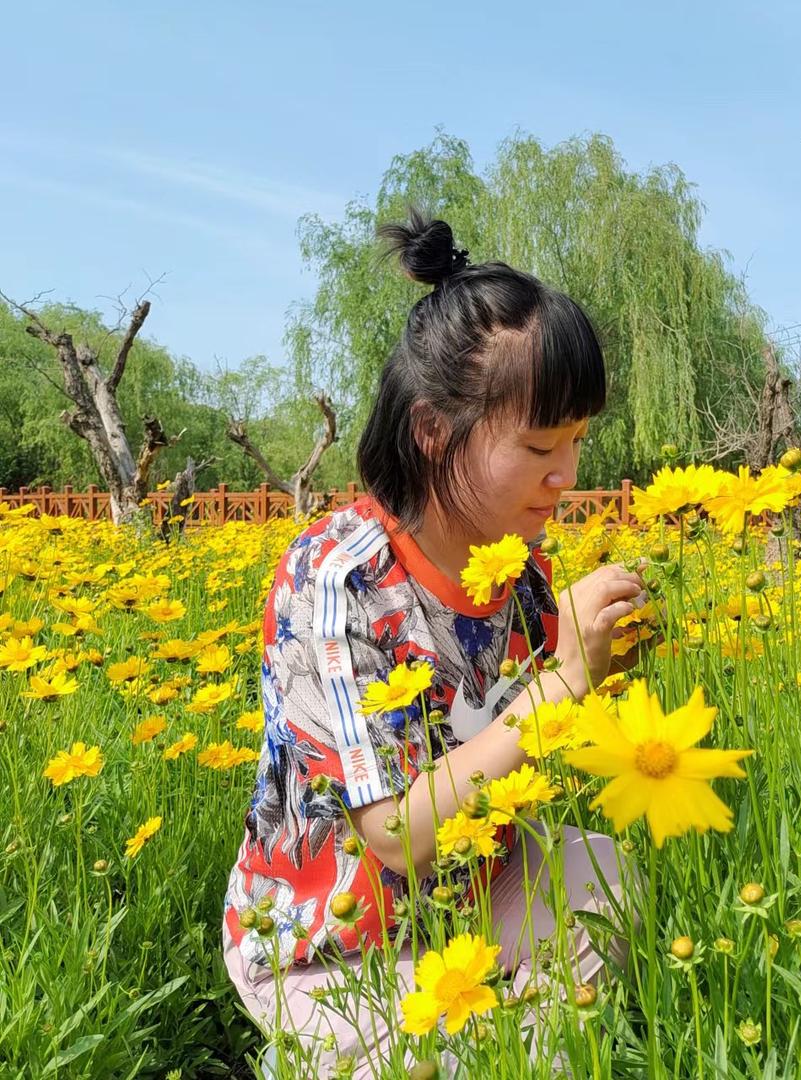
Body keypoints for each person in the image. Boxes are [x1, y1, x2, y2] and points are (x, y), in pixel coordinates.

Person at [222, 208, 646, 1078]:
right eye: (538, 446)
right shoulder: (339, 580)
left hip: (473, 896)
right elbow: (393, 835)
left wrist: (602, 660)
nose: (567, 477)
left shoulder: (522, 571)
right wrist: (564, 684)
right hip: (335, 943)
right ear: (430, 431)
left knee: (605, 878)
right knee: (472, 1056)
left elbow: (531, 749)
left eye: (575, 443)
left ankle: (512, 1037)